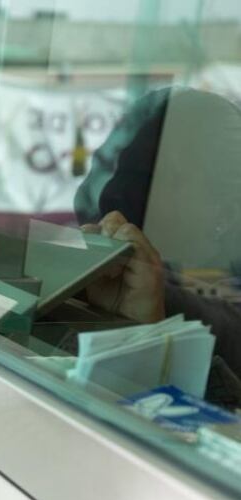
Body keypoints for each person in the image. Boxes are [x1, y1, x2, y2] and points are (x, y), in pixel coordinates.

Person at [77, 86, 241, 404]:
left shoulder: (218, 318)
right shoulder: (101, 274)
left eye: (159, 177)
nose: (120, 192)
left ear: (226, 213)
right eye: (122, 170)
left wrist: (149, 330)